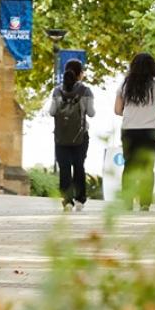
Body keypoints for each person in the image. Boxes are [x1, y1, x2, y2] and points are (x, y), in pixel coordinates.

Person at [113, 52, 155, 211]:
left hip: (129, 129)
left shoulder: (125, 84)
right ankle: (145, 203)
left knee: (129, 165)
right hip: (151, 130)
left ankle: (127, 202)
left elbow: (117, 110)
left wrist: (132, 113)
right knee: (147, 167)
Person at [47, 59, 95, 212]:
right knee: (79, 165)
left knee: (64, 167)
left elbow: (52, 112)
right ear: (80, 74)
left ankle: (67, 201)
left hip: (61, 135)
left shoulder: (57, 91)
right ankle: (80, 199)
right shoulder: (86, 91)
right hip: (80, 135)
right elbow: (91, 113)